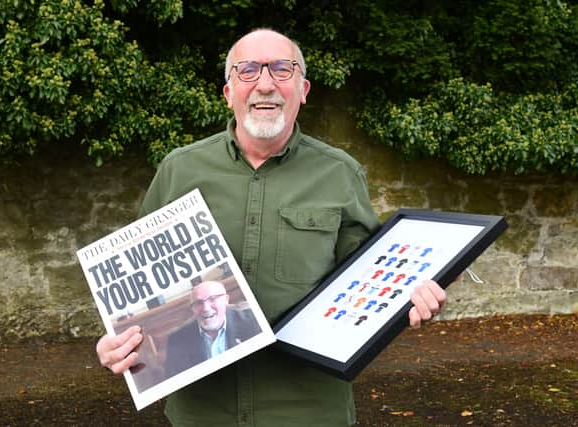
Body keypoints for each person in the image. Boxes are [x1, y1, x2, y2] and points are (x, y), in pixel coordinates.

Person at [96, 28, 447, 426]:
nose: (265, 84)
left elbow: (368, 284)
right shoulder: (180, 169)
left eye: (282, 69)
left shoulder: (340, 174)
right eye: (248, 71)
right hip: (203, 414)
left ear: (303, 89)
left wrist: (408, 294)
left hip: (308, 411)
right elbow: (133, 285)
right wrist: (115, 341)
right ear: (228, 93)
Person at [164, 280, 262, 378]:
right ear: (192, 308)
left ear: (226, 300)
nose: (206, 308)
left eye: (212, 299)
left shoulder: (254, 321)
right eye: (198, 303)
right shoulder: (176, 340)